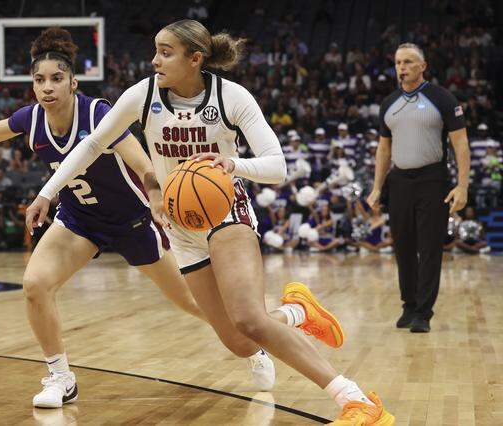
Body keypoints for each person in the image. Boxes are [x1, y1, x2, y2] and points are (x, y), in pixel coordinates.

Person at [28, 19, 394, 424]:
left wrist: (232, 163)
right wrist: (48, 192)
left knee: (249, 318)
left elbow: (277, 166)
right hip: (181, 227)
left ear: (195, 59)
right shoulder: (142, 94)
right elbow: (93, 143)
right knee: (240, 342)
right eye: (155, 50)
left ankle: (355, 400)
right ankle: (296, 313)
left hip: (226, 213)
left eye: (165, 53)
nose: (154, 60)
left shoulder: (231, 96)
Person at [0, 27, 281, 409]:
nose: (47, 87)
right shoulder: (31, 118)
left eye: (56, 79)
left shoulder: (97, 113)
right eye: (39, 80)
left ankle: (253, 349)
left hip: (133, 220)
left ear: (73, 83)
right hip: (80, 220)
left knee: (194, 303)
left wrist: (156, 191)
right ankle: (60, 377)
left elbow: (142, 162)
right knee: (35, 284)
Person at [367, 43, 470, 333]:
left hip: (433, 179)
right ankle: (408, 305)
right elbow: (383, 149)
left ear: (422, 66)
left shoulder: (443, 98)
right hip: (399, 181)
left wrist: (462, 186)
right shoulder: (389, 103)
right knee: (403, 246)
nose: (402, 67)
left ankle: (423, 312)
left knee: (429, 247)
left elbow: (460, 144)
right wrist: (377, 187)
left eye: (409, 62)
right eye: (399, 62)